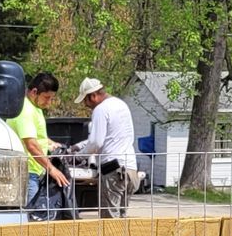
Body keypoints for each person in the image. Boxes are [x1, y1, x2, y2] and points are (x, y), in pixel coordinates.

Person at [74, 77, 138, 218]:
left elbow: (96, 142)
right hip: (130, 168)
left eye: (85, 100)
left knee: (109, 219)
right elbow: (109, 136)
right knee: (121, 217)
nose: (86, 105)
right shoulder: (121, 104)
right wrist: (78, 146)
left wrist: (78, 157)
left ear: (93, 96)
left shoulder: (100, 109)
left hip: (113, 170)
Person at [7, 70, 69, 211]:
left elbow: (36, 136)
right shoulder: (25, 110)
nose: (49, 102)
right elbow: (31, 145)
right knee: (31, 216)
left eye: (51, 98)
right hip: (27, 173)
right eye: (47, 97)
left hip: (35, 171)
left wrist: (50, 143)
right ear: (34, 92)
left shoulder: (35, 107)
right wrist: (51, 169)